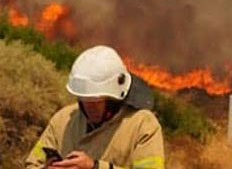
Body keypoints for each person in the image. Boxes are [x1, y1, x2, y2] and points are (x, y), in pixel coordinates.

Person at [27, 45, 165, 169]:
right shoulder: (63, 120)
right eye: (84, 99)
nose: (89, 107)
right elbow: (32, 164)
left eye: (96, 100)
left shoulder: (143, 125)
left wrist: (95, 167)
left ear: (113, 98)